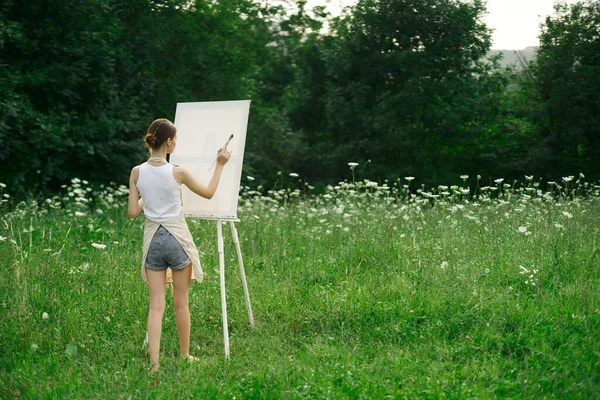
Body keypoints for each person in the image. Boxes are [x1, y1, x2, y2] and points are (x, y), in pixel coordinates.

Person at [127, 118, 231, 374]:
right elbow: (208, 193)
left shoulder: (136, 172)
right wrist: (219, 164)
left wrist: (146, 199)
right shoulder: (178, 172)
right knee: (181, 303)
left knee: (155, 306)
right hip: (176, 239)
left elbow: (132, 212)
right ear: (169, 142)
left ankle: (154, 365)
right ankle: (184, 355)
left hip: (153, 242)